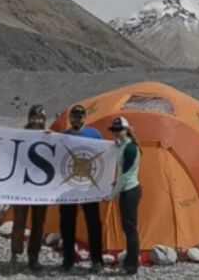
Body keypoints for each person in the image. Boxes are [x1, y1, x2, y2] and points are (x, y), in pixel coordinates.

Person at [59, 104, 105, 272]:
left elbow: (105, 157)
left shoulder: (95, 134)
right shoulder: (62, 136)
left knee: (93, 224)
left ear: (85, 118)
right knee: (67, 224)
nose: (77, 119)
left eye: (80, 116)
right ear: (70, 118)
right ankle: (68, 259)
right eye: (74, 116)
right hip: (68, 189)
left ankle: (97, 259)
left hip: (89, 189)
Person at [10, 105, 49, 273]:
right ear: (29, 118)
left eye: (40, 118)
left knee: (38, 225)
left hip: (40, 189)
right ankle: (15, 254)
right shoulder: (21, 137)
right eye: (34, 117)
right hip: (22, 188)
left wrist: (51, 138)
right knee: (19, 223)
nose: (37, 121)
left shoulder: (48, 137)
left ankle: (33, 257)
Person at [104, 116, 142, 275]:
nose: (116, 133)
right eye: (114, 130)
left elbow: (125, 175)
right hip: (128, 190)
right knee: (128, 227)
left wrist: (111, 195)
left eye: (119, 129)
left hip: (130, 191)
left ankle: (132, 264)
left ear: (126, 129)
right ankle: (130, 260)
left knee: (130, 228)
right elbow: (123, 172)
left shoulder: (130, 148)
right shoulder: (126, 146)